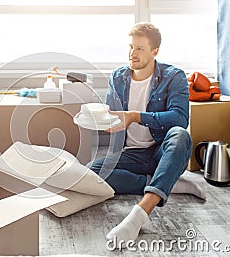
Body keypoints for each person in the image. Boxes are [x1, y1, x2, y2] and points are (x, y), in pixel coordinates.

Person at [88, 22, 205, 249]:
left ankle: (139, 214)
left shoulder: (174, 77)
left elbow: (180, 118)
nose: (133, 53)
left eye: (140, 48)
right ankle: (166, 183)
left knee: (180, 135)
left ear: (155, 52)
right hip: (132, 154)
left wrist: (135, 116)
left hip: (163, 152)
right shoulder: (118, 78)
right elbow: (112, 116)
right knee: (92, 172)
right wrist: (100, 119)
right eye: (131, 47)